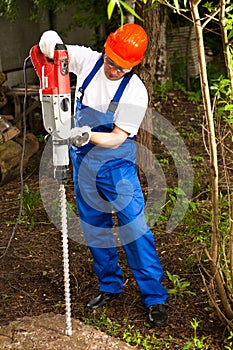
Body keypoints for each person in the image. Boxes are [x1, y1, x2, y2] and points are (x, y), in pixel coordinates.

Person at [39, 24, 168, 327]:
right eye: (110, 61)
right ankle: (109, 286)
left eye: (120, 68)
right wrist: (52, 43)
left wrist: (86, 134)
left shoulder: (135, 91)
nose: (111, 70)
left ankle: (154, 297)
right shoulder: (86, 60)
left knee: (135, 228)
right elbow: (52, 48)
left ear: (133, 66)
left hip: (115, 167)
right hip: (84, 164)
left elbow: (117, 137)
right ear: (105, 51)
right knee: (95, 228)